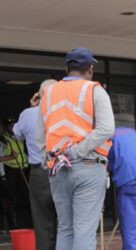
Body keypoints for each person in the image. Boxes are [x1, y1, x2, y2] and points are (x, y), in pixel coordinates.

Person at [37, 47, 115, 250]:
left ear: (66, 68)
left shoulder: (48, 93)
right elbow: (107, 129)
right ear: (90, 69)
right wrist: (77, 151)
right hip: (87, 166)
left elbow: (41, 133)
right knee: (84, 231)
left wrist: (50, 158)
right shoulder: (94, 90)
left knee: (65, 229)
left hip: (58, 167)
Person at [13, 79, 57, 250]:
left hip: (39, 173)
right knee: (65, 222)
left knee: (42, 221)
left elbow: (17, 135)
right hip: (63, 169)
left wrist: (32, 108)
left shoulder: (28, 114)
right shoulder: (63, 112)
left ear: (39, 95)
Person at [0, 117, 31, 229]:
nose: (12, 127)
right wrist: (10, 157)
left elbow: (23, 151)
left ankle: (28, 224)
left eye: (13, 125)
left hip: (23, 169)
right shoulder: (4, 139)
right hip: (11, 171)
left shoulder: (19, 137)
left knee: (27, 197)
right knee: (13, 199)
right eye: (9, 126)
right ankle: (15, 226)